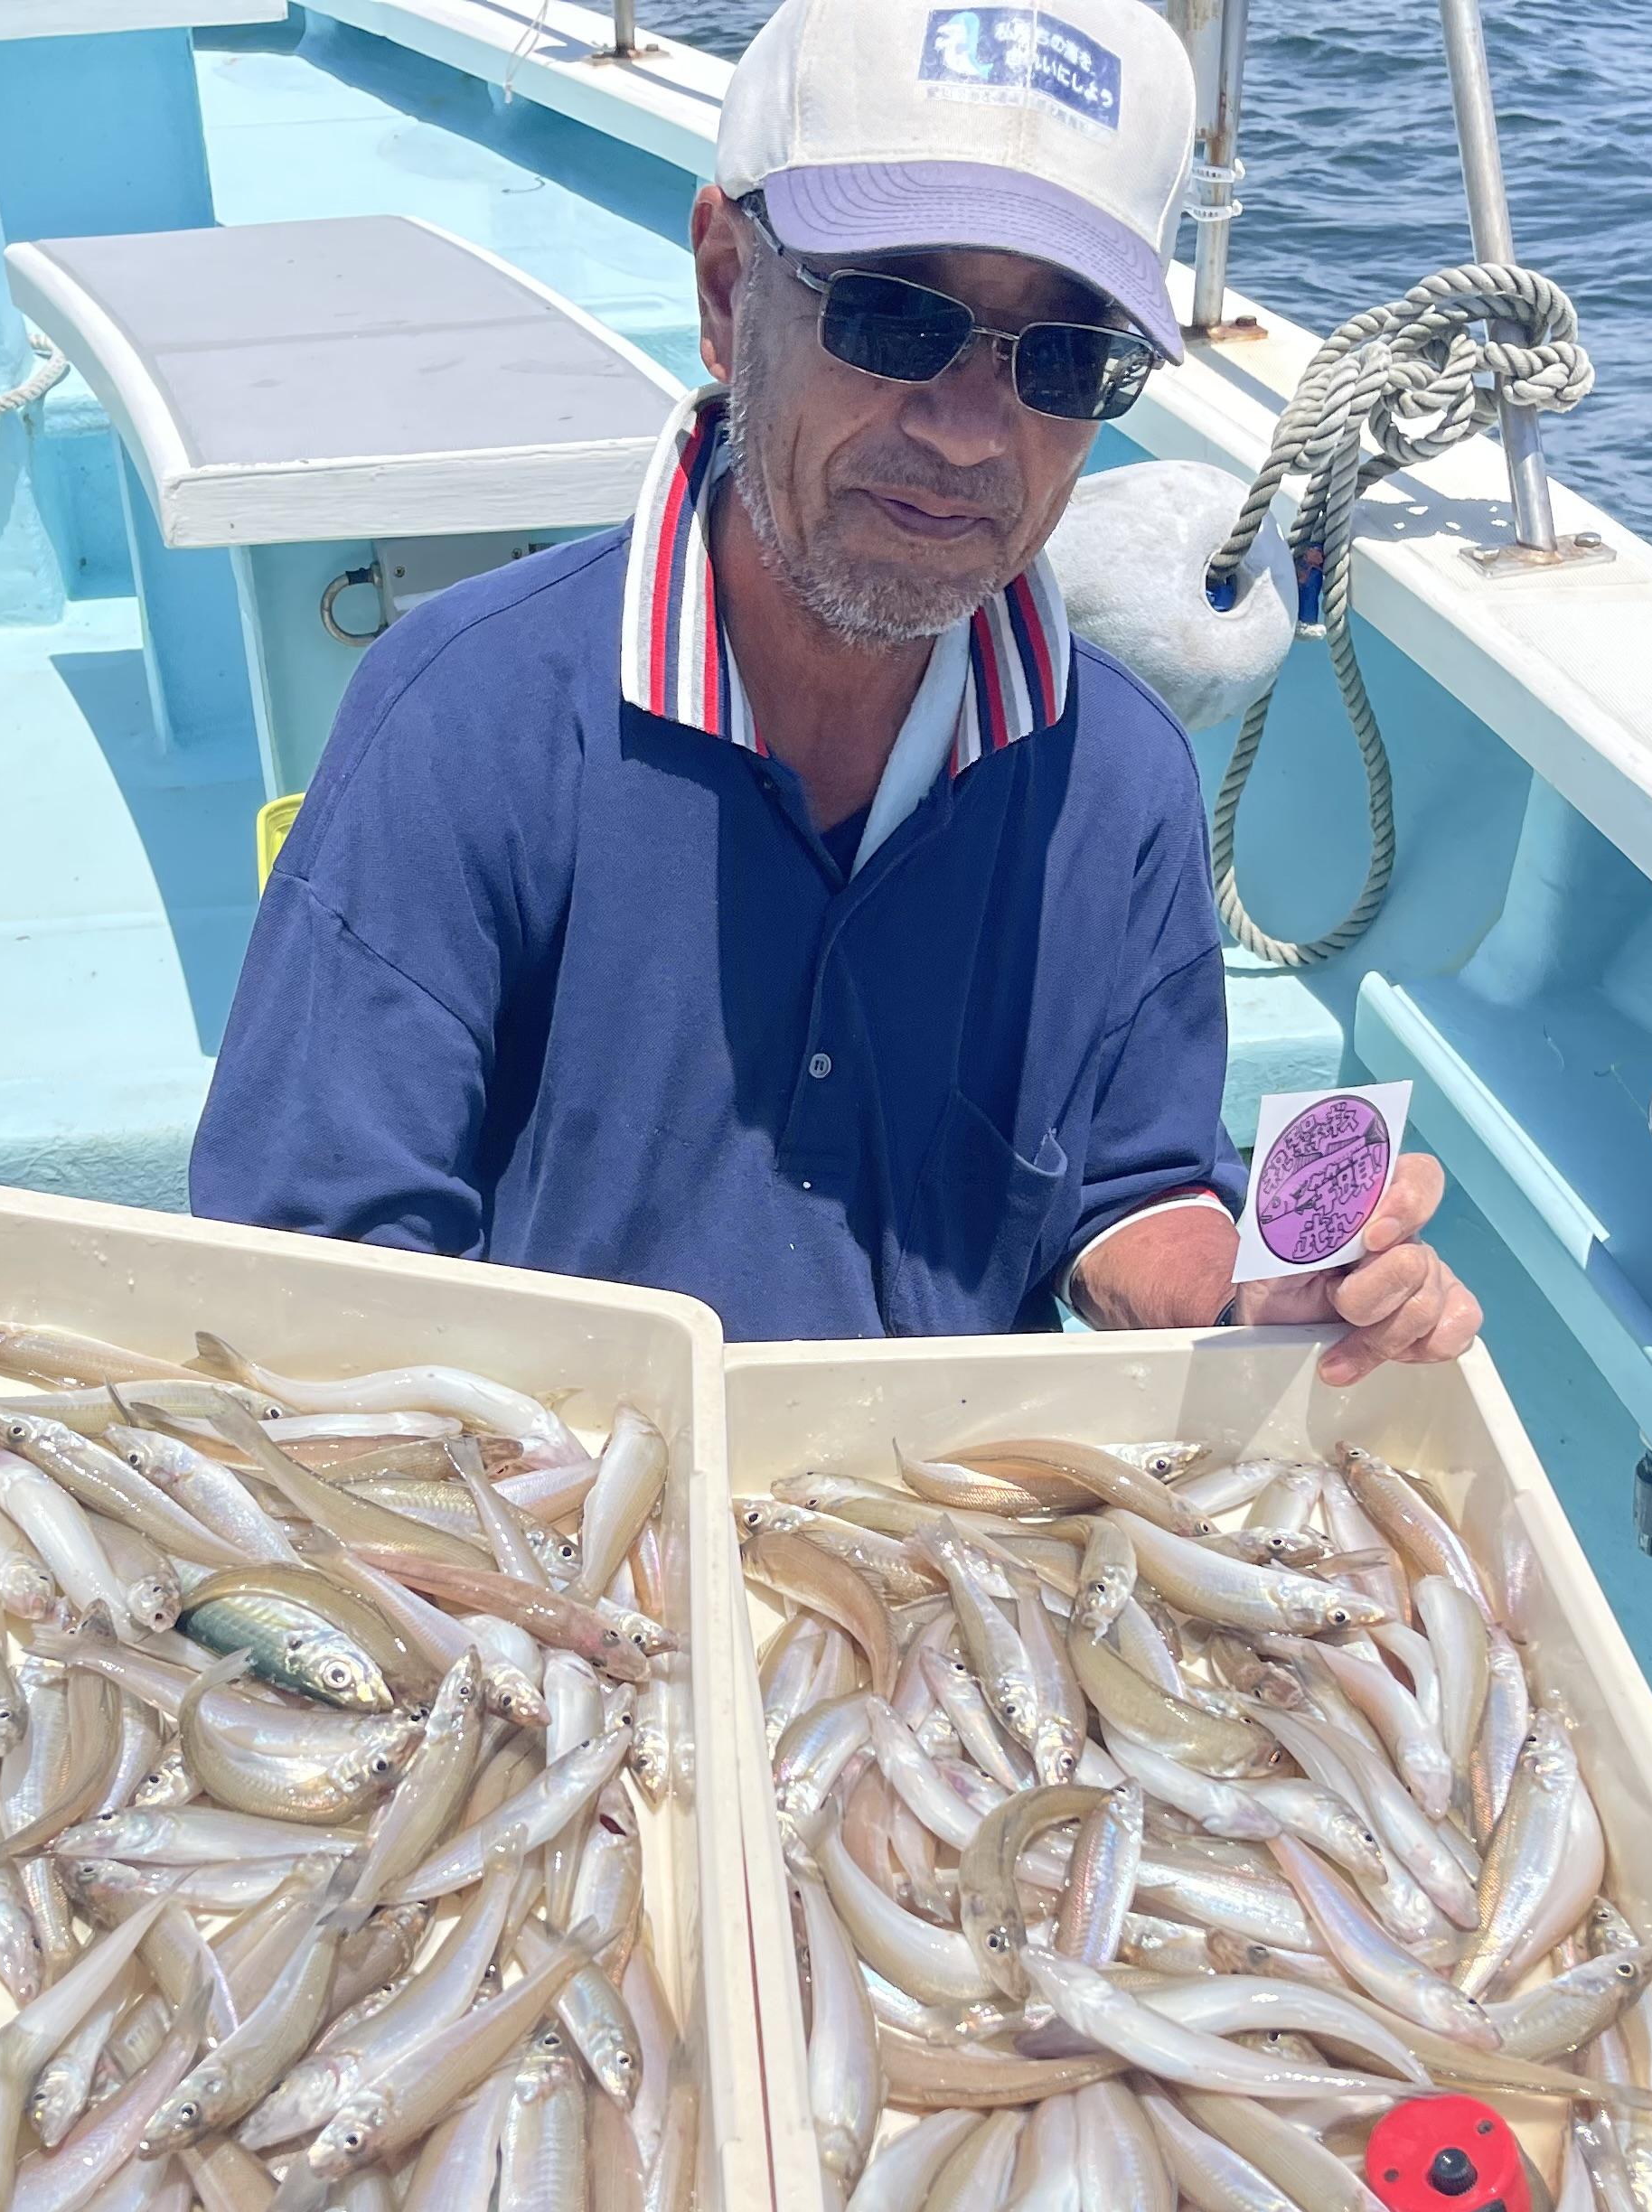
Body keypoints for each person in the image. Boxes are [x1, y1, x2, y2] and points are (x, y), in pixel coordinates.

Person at [189, 0, 1478, 1385]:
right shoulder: (459, 719)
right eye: (891, 315)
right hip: (564, 1540)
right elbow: (314, 1277)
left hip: (950, 1552)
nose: (970, 429)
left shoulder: (1121, 779)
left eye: (1064, 358)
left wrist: (1265, 1302)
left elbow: (1128, 1187)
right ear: (728, 289)